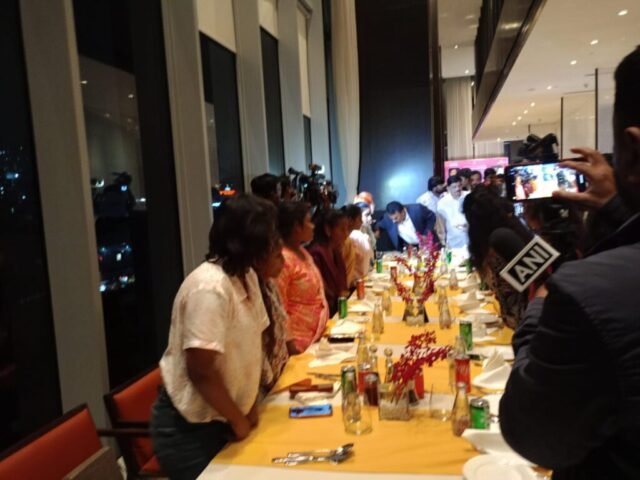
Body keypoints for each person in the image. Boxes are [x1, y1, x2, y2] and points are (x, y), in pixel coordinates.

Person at [500, 47, 640, 479]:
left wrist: (542, 303)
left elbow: (533, 431)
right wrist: (618, 210)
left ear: (632, 149)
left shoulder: (592, 288)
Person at [151, 194, 278, 480]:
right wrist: (237, 418)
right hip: (192, 430)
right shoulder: (209, 287)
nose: (273, 243)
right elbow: (201, 371)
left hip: (228, 415)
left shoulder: (246, 276)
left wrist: (250, 402)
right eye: (268, 236)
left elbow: (254, 340)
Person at [463, 186, 530, 328]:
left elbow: (531, 283)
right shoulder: (510, 229)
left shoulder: (500, 238)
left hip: (525, 321)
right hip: (519, 318)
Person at [277, 202, 329, 354]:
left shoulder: (302, 251)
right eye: (309, 222)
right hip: (297, 344)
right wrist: (290, 345)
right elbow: (279, 307)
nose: (313, 226)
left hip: (316, 336)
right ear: (296, 227)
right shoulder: (282, 259)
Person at [254, 238, 289, 395]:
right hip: (264, 385)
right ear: (259, 261)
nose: (283, 261)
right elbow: (258, 348)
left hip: (278, 371)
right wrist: (270, 382)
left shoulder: (269, 285)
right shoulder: (254, 291)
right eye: (277, 256)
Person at [308, 209, 350, 317]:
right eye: (342, 229)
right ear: (328, 229)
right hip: (325, 311)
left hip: (339, 305)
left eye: (347, 229)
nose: (346, 234)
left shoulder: (335, 250)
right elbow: (321, 287)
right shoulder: (316, 253)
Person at [437, 175, 469, 251]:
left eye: (459, 186)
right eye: (454, 187)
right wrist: (443, 242)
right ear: (448, 188)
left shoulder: (468, 196)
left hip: (469, 235)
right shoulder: (442, 202)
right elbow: (441, 224)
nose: (458, 189)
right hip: (453, 238)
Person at [343, 204, 372, 284]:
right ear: (350, 220)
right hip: (350, 284)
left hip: (358, 281)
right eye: (359, 219)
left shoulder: (355, 236)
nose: (362, 222)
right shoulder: (348, 239)